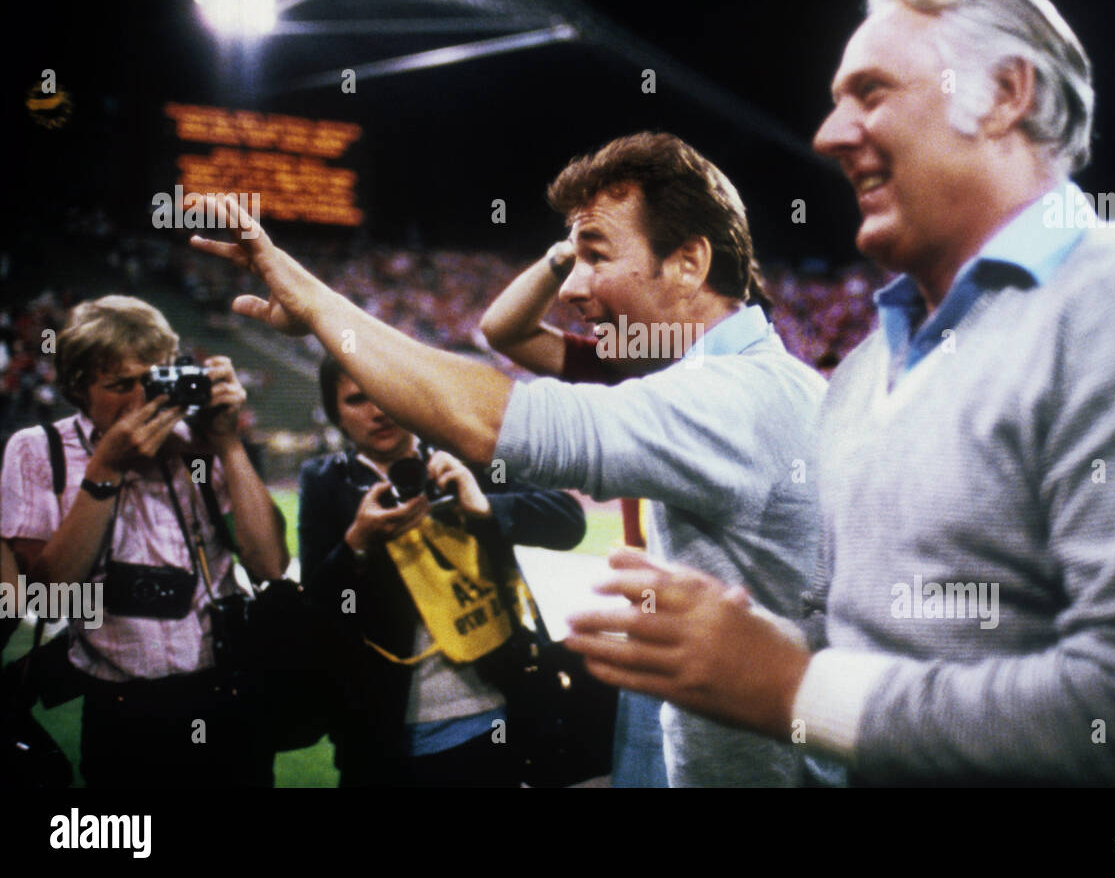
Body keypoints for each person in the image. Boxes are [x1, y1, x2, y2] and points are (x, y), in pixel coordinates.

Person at [563, 0, 1115, 786]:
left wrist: (795, 685)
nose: (830, 134)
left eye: (870, 92)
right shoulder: (867, 372)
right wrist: (760, 664)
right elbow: (876, 655)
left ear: (1006, 94)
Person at [192, 132, 827, 786]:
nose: (573, 289)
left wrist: (317, 302)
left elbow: (489, 420)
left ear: (689, 261)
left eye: (595, 254)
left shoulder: (738, 396)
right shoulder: (727, 380)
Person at [0, 295, 288, 785]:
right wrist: (105, 470)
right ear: (78, 387)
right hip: (122, 710)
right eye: (118, 385)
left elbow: (270, 566)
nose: (140, 400)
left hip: (228, 695)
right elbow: (47, 597)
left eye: (152, 380)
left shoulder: (196, 443)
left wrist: (227, 441)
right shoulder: (38, 450)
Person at [297, 356, 586, 786]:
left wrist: (486, 507)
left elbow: (568, 521)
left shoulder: (464, 454)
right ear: (334, 412)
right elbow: (317, 609)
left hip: (490, 717)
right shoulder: (325, 482)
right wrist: (357, 542)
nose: (378, 411)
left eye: (384, 393)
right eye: (357, 400)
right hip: (380, 731)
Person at [480, 239, 664, 787]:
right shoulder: (633, 365)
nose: (580, 293)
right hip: (646, 626)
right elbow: (503, 331)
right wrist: (567, 254)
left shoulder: (734, 380)